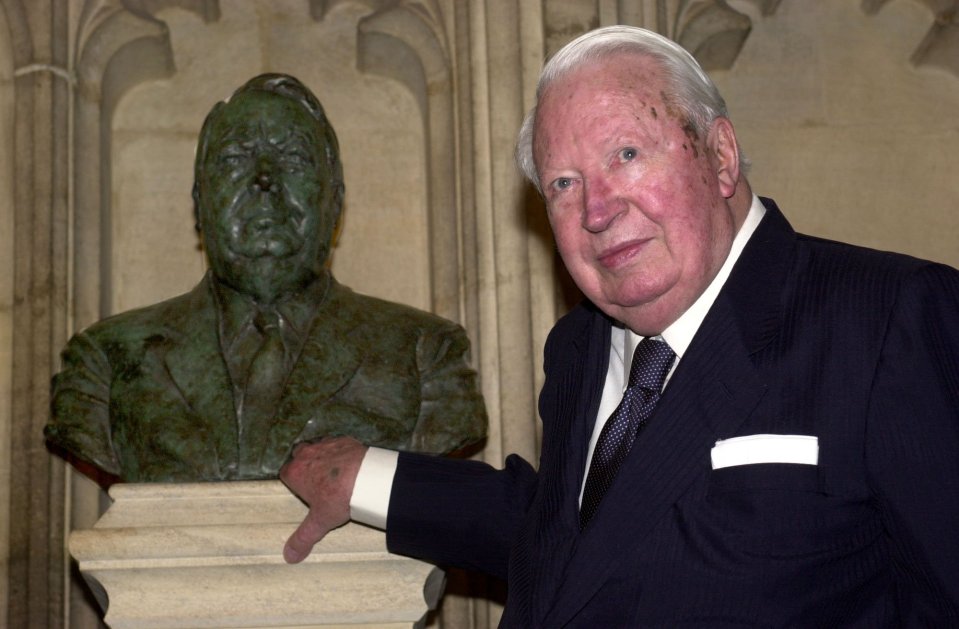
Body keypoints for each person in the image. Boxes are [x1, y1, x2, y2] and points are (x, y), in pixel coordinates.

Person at [279, 27, 959, 626]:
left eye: (626, 154)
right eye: (563, 184)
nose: (596, 210)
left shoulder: (889, 319)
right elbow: (585, 536)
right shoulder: (580, 346)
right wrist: (373, 480)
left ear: (719, 154)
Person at [46, 73, 487, 484]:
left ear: (335, 200)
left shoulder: (425, 354)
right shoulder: (105, 360)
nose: (263, 179)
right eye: (235, 157)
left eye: (293, 157)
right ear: (199, 200)